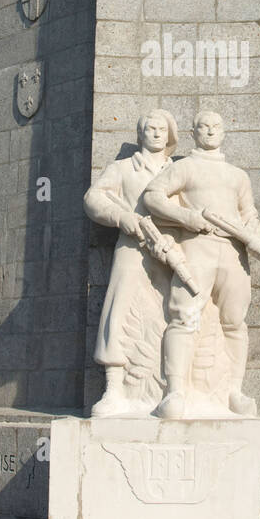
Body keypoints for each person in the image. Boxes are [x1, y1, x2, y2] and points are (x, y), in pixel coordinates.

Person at [142, 109, 260, 419]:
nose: (210, 131)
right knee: (184, 316)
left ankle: (234, 392)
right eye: (203, 126)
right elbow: (152, 196)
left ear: (224, 132)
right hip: (197, 247)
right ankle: (175, 392)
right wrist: (188, 218)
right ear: (194, 132)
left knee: (235, 322)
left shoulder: (238, 175)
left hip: (234, 254)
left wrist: (256, 236)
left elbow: (249, 214)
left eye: (216, 126)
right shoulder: (185, 168)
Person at [84, 110, 178, 416]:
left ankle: (172, 388)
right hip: (132, 246)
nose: (155, 133)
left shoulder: (178, 171)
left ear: (169, 135)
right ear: (140, 133)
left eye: (161, 129)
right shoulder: (123, 168)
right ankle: (114, 388)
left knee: (171, 313)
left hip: (168, 250)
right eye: (149, 128)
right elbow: (93, 198)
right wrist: (121, 217)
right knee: (118, 310)